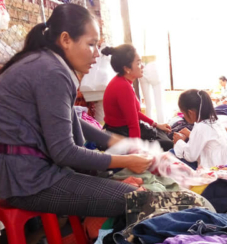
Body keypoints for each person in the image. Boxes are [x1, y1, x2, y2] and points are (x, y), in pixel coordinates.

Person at [0, 4, 151, 218]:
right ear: (65, 40)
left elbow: (66, 119)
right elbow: (64, 152)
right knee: (139, 200)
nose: (97, 54)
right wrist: (127, 160)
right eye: (91, 44)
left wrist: (114, 141)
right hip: (26, 180)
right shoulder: (52, 71)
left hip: (23, 173)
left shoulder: (45, 63)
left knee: (120, 185)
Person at [102, 45, 173, 151]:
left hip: (123, 128)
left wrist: (156, 124)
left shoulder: (123, 81)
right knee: (168, 143)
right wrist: (136, 153)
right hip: (121, 133)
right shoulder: (123, 87)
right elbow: (133, 124)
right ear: (127, 69)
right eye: (138, 63)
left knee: (163, 132)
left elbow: (134, 113)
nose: (142, 66)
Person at [173, 90, 227, 169]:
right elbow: (207, 139)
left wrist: (179, 141)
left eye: (183, 113)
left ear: (190, 113)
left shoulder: (200, 127)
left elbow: (190, 156)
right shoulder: (215, 121)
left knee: (172, 153)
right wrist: (191, 135)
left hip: (215, 172)